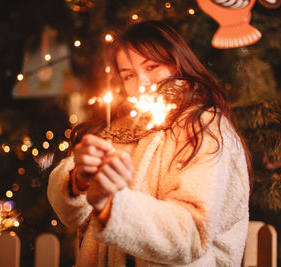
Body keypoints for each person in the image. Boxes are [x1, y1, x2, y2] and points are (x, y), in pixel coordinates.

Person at [47, 20, 252, 267]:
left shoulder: (204, 127)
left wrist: (111, 206)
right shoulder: (121, 127)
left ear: (179, 63)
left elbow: (192, 234)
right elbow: (71, 214)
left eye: (152, 66)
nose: (142, 83)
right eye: (129, 75)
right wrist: (78, 180)